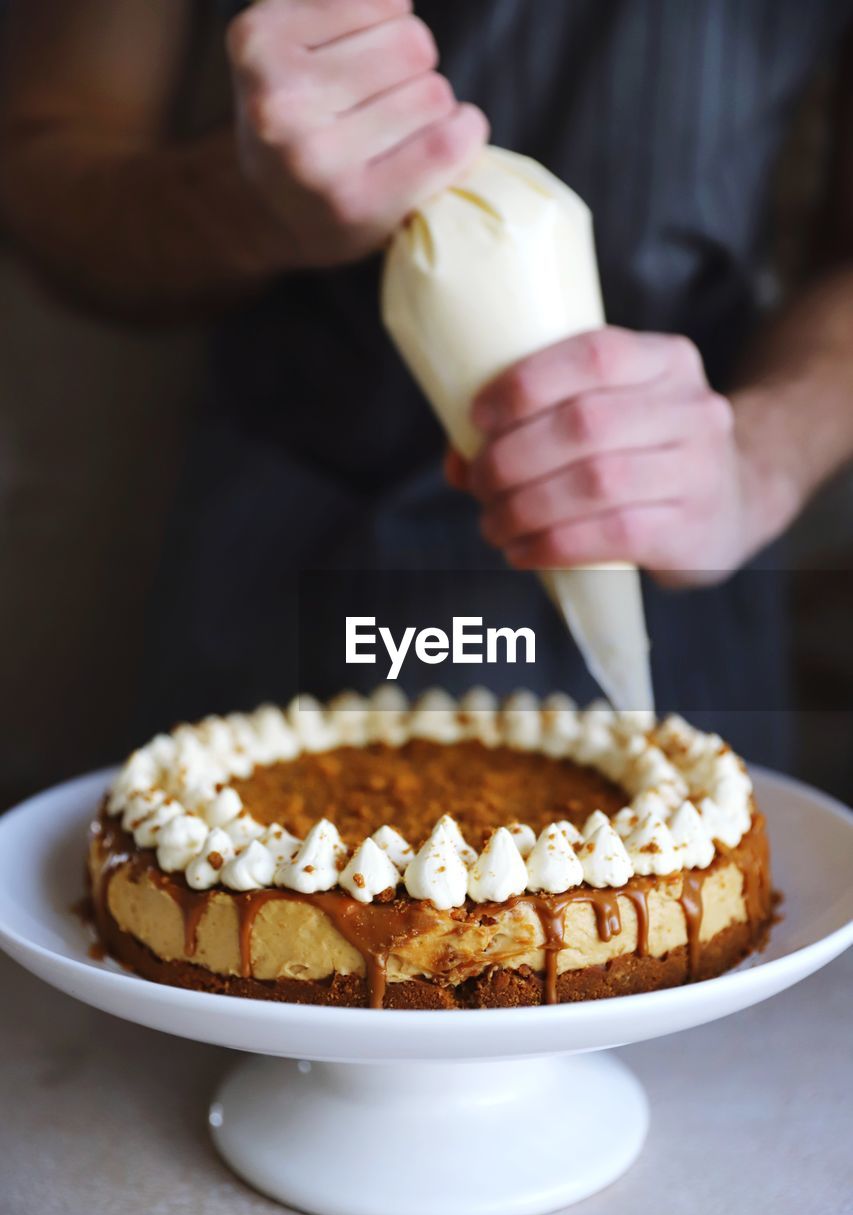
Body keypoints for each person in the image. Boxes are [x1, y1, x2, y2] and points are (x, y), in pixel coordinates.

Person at [1, 0, 852, 766]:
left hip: (676, 550)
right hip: (285, 547)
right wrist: (252, 205)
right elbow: (44, 157)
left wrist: (760, 455)